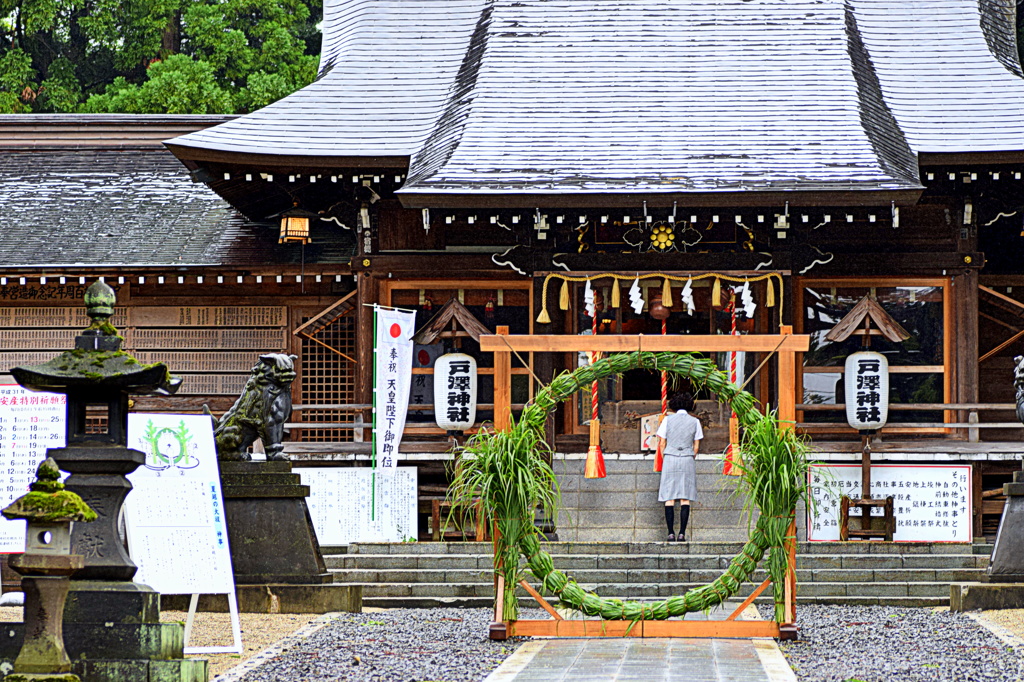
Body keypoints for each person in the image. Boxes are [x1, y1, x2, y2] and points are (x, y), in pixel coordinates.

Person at [656, 392, 703, 541]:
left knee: (669, 497)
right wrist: (690, 455)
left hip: (670, 457)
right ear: (690, 405)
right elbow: (696, 446)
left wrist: (667, 456)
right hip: (687, 458)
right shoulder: (695, 422)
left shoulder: (667, 420)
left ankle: (670, 533)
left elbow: (662, 442)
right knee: (685, 497)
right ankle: (682, 533)